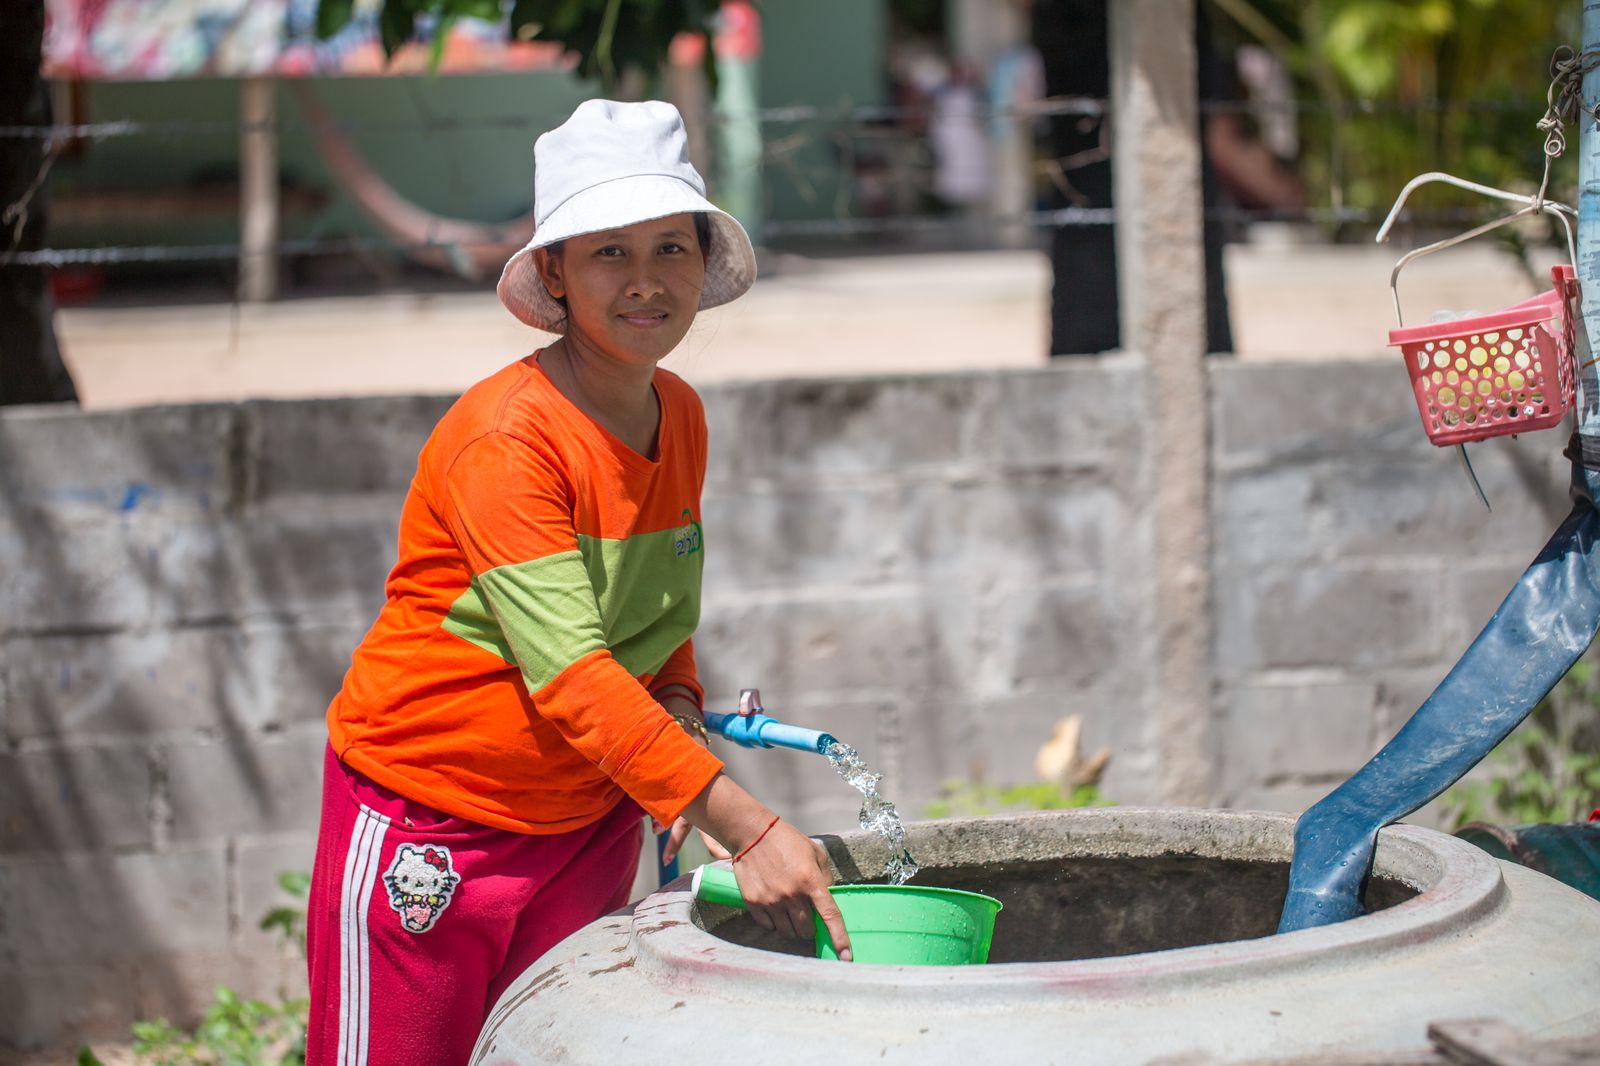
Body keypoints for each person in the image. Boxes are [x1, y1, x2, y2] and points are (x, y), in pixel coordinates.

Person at [304, 99, 850, 1066]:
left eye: (671, 248)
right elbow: (575, 676)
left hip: (587, 824)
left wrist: (680, 720)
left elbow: (656, 619)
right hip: (435, 825)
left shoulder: (678, 414)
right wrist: (744, 822)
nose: (646, 280)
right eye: (609, 253)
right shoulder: (506, 439)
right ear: (554, 272)